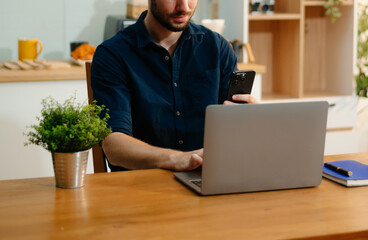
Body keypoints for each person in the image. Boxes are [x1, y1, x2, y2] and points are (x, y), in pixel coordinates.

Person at [91, 0, 257, 172]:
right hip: (141, 186)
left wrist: (247, 122)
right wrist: (179, 159)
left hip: (206, 180)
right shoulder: (113, 54)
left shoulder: (217, 48)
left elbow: (234, 135)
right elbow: (114, 147)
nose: (183, 7)